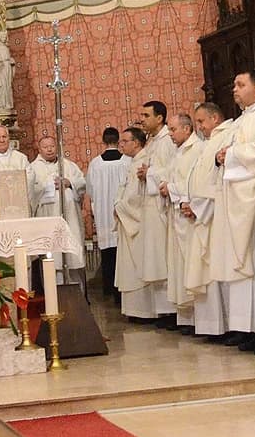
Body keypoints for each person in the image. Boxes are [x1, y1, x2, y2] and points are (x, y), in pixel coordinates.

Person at [210, 70, 255, 354]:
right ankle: (250, 328)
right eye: (233, 86)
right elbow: (239, 150)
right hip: (238, 201)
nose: (234, 90)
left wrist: (233, 155)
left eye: (241, 85)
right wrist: (221, 156)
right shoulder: (241, 120)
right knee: (244, 268)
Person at [115, 101, 178, 325]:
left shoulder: (166, 142)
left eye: (145, 115)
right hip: (151, 207)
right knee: (155, 261)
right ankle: (163, 311)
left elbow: (174, 170)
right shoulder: (152, 143)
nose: (141, 119)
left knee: (163, 260)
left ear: (159, 118)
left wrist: (149, 173)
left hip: (161, 207)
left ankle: (171, 311)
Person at [184, 103, 234, 339]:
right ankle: (215, 326)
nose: (200, 127)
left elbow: (218, 181)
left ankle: (223, 326)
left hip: (215, 215)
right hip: (204, 214)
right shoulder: (211, 142)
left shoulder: (226, 136)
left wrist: (197, 206)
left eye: (201, 122)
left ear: (215, 118)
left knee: (218, 273)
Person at [162, 113, 201, 331]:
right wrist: (166, 185)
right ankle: (187, 316)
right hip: (177, 213)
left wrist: (172, 189)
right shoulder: (180, 152)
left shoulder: (197, 149)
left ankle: (196, 316)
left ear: (187, 129)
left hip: (189, 214)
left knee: (191, 264)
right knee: (180, 266)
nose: (170, 134)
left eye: (173, 129)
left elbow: (194, 181)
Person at [30, 135, 87, 272]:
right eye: (45, 147)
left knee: (73, 257)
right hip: (47, 216)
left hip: (70, 217)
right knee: (53, 259)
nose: (49, 150)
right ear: (39, 149)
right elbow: (31, 190)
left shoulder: (67, 165)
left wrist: (69, 183)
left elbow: (82, 182)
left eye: (52, 146)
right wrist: (48, 185)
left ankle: (76, 290)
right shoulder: (33, 168)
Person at [84, 127, 127, 302]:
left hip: (103, 212)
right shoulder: (127, 162)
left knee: (108, 253)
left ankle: (108, 287)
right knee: (123, 252)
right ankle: (121, 290)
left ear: (103, 141)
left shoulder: (95, 163)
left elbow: (91, 190)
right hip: (122, 212)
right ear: (118, 141)